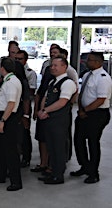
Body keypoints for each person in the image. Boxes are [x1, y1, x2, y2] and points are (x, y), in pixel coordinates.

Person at [72, 52, 112, 184]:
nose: (86, 62)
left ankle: (94, 173)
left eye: (90, 60)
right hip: (84, 112)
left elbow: (101, 99)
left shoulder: (103, 78)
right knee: (78, 140)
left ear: (98, 62)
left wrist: (86, 110)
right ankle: (84, 166)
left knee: (93, 143)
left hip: (97, 114)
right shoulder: (87, 75)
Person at [37, 57, 76, 184]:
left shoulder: (67, 83)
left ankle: (58, 175)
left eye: (56, 65)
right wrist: (42, 110)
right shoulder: (52, 82)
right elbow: (45, 97)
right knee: (51, 147)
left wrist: (46, 110)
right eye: (51, 65)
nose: (52, 68)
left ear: (64, 67)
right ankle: (52, 171)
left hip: (59, 121)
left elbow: (62, 102)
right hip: (48, 120)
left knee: (58, 148)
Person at [0, 57, 23, 191]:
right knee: (1, 149)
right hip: (3, 114)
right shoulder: (8, 80)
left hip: (9, 117)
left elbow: (11, 103)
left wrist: (3, 121)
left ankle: (16, 181)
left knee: (10, 151)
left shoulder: (11, 82)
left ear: (2, 68)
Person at [16, 50, 37, 167]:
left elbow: (30, 93)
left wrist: (26, 114)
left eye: (20, 59)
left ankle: (26, 157)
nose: (18, 61)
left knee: (24, 133)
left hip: (24, 105)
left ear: (25, 60)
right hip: (15, 106)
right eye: (16, 59)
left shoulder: (30, 73)